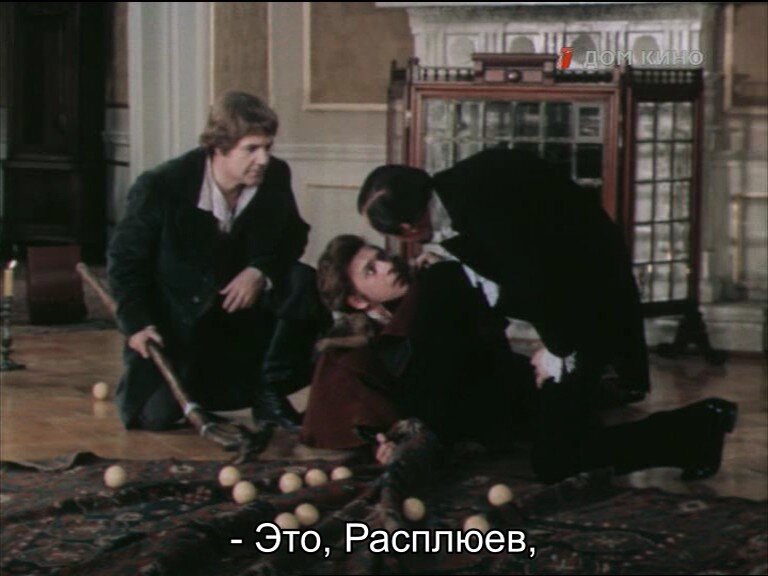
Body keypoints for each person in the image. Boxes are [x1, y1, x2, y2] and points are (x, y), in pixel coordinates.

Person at [301, 235, 737, 483]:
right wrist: (382, 439)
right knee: (564, 458)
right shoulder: (373, 337)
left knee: (561, 460)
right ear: (357, 300)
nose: (387, 266)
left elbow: (469, 359)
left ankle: (700, 425)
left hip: (519, 391)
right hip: (497, 410)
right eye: (371, 270)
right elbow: (359, 403)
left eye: (380, 257)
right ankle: (699, 428)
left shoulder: (436, 286)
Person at [357, 149, 649, 406]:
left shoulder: (478, 207)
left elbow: (537, 279)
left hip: (586, 276)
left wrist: (555, 352)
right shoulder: (453, 190)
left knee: (571, 401)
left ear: (407, 229)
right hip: (574, 269)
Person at [108, 91, 328, 431]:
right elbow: (125, 262)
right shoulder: (161, 186)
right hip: (182, 328)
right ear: (219, 147)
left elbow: (293, 235)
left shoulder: (275, 176)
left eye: (267, 147)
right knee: (154, 416)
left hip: (243, 324)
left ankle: (267, 391)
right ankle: (207, 393)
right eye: (251, 149)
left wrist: (260, 270)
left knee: (301, 280)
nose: (263, 159)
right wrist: (136, 324)